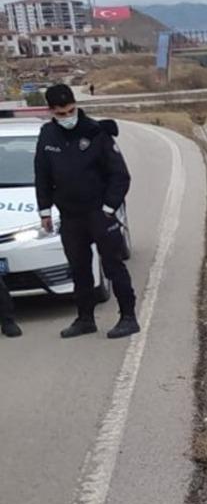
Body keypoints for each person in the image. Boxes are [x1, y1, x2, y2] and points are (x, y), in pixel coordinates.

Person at [34, 83, 138, 339]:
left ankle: (128, 317)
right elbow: (42, 175)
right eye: (61, 114)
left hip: (99, 213)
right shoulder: (47, 136)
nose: (67, 117)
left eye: (71, 111)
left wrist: (108, 207)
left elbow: (120, 176)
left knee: (113, 266)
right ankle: (85, 319)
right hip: (71, 216)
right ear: (51, 112)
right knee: (79, 269)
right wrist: (45, 211)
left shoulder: (97, 132)